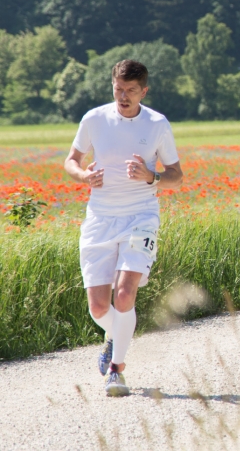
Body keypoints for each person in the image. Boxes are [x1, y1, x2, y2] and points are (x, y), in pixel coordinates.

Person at [63, 60, 184, 397]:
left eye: (131, 90)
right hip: (100, 218)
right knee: (99, 308)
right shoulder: (94, 119)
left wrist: (152, 176)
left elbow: (176, 176)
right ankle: (115, 335)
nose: (124, 96)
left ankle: (116, 371)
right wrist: (84, 175)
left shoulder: (157, 124)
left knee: (125, 292)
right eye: (119, 89)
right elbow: (71, 161)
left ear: (144, 91)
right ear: (112, 87)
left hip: (140, 216)